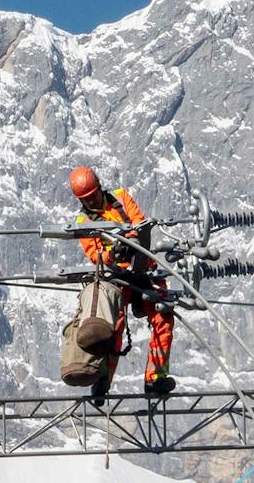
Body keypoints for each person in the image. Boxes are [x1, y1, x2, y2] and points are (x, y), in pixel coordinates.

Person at [67, 167, 175, 398]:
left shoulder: (121, 197)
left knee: (163, 316)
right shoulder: (83, 221)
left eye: (93, 195)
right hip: (116, 277)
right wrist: (113, 254)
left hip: (144, 269)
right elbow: (95, 255)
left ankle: (156, 378)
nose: (92, 201)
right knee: (113, 328)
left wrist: (131, 240)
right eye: (86, 199)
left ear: (99, 188)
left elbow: (139, 222)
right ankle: (102, 380)